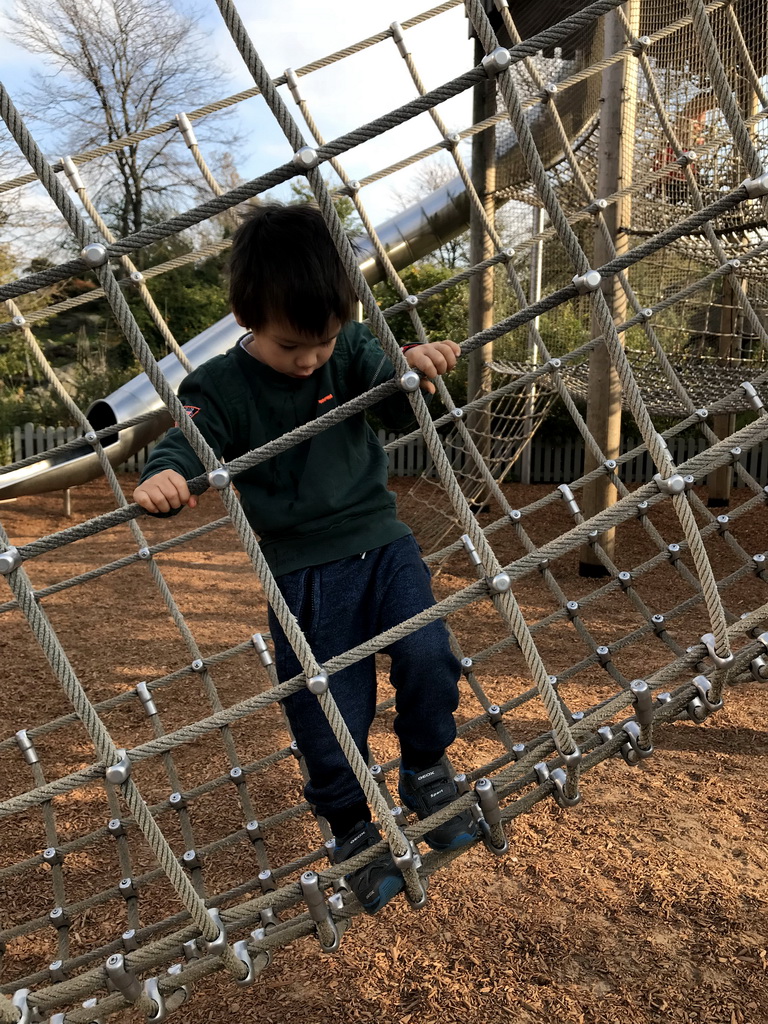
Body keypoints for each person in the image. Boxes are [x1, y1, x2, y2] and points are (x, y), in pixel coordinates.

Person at [134, 202, 477, 913]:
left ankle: (425, 765)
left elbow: (392, 386)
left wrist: (413, 367)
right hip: (301, 572)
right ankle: (351, 826)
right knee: (328, 707)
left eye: (322, 339)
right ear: (246, 316)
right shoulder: (220, 389)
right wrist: (166, 474)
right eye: (293, 344)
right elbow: (187, 443)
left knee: (427, 651)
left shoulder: (347, 348)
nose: (311, 357)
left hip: (383, 542)